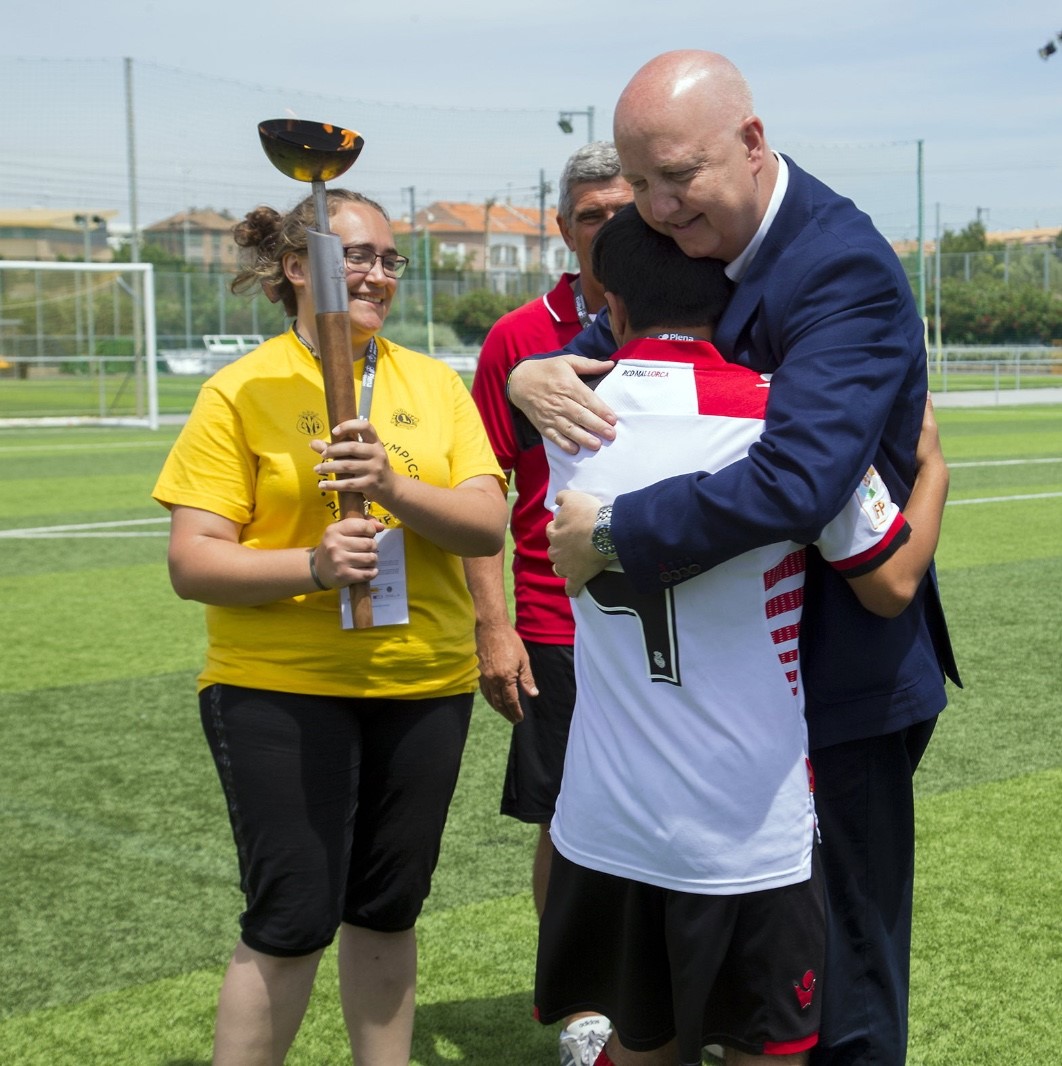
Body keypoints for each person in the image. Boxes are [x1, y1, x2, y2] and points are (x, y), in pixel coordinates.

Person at [509, 51, 961, 1066]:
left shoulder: (839, 266)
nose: (661, 209)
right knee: (695, 1004)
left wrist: (617, 537)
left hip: (837, 681)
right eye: (642, 187)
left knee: (838, 991)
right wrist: (527, 379)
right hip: (711, 711)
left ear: (753, 145)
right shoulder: (698, 249)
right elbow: (607, 351)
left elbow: (802, 481)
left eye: (679, 177)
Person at [152, 189, 508, 1066]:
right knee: (291, 919)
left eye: (391, 259)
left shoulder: (432, 384)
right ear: (296, 266)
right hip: (280, 687)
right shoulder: (241, 390)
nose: (378, 274)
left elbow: (485, 523)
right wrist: (310, 565)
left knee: (388, 911)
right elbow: (193, 561)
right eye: (358, 255)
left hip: (423, 682)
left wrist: (392, 488)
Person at [465, 142, 631, 1065]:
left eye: (624, 208)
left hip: (672, 617)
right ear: (564, 230)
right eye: (592, 215)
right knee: (567, 821)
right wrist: (495, 627)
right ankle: (582, 1012)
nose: (610, 227)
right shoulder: (516, 337)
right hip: (556, 619)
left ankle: (680, 990)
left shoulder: (696, 310)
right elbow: (481, 491)